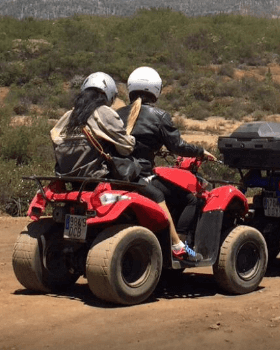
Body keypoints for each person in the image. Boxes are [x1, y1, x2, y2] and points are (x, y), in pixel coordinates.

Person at [116, 66, 216, 262]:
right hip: (142, 176)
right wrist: (200, 151)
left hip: (118, 174)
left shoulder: (117, 114)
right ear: (156, 90)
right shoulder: (159, 116)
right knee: (190, 199)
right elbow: (177, 146)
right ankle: (180, 245)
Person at [51, 72, 136, 178]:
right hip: (96, 175)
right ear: (109, 94)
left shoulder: (67, 116)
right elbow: (126, 147)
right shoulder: (104, 112)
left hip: (66, 175)